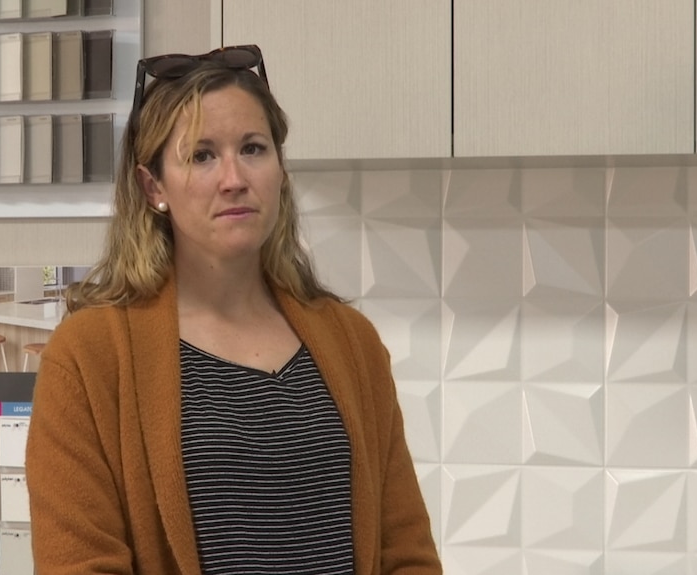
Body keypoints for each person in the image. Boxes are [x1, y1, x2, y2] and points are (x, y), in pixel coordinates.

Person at [25, 45, 443, 575]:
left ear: (281, 168)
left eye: (252, 148)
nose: (234, 178)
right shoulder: (89, 359)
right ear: (153, 186)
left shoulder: (353, 343)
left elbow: (406, 554)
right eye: (201, 155)